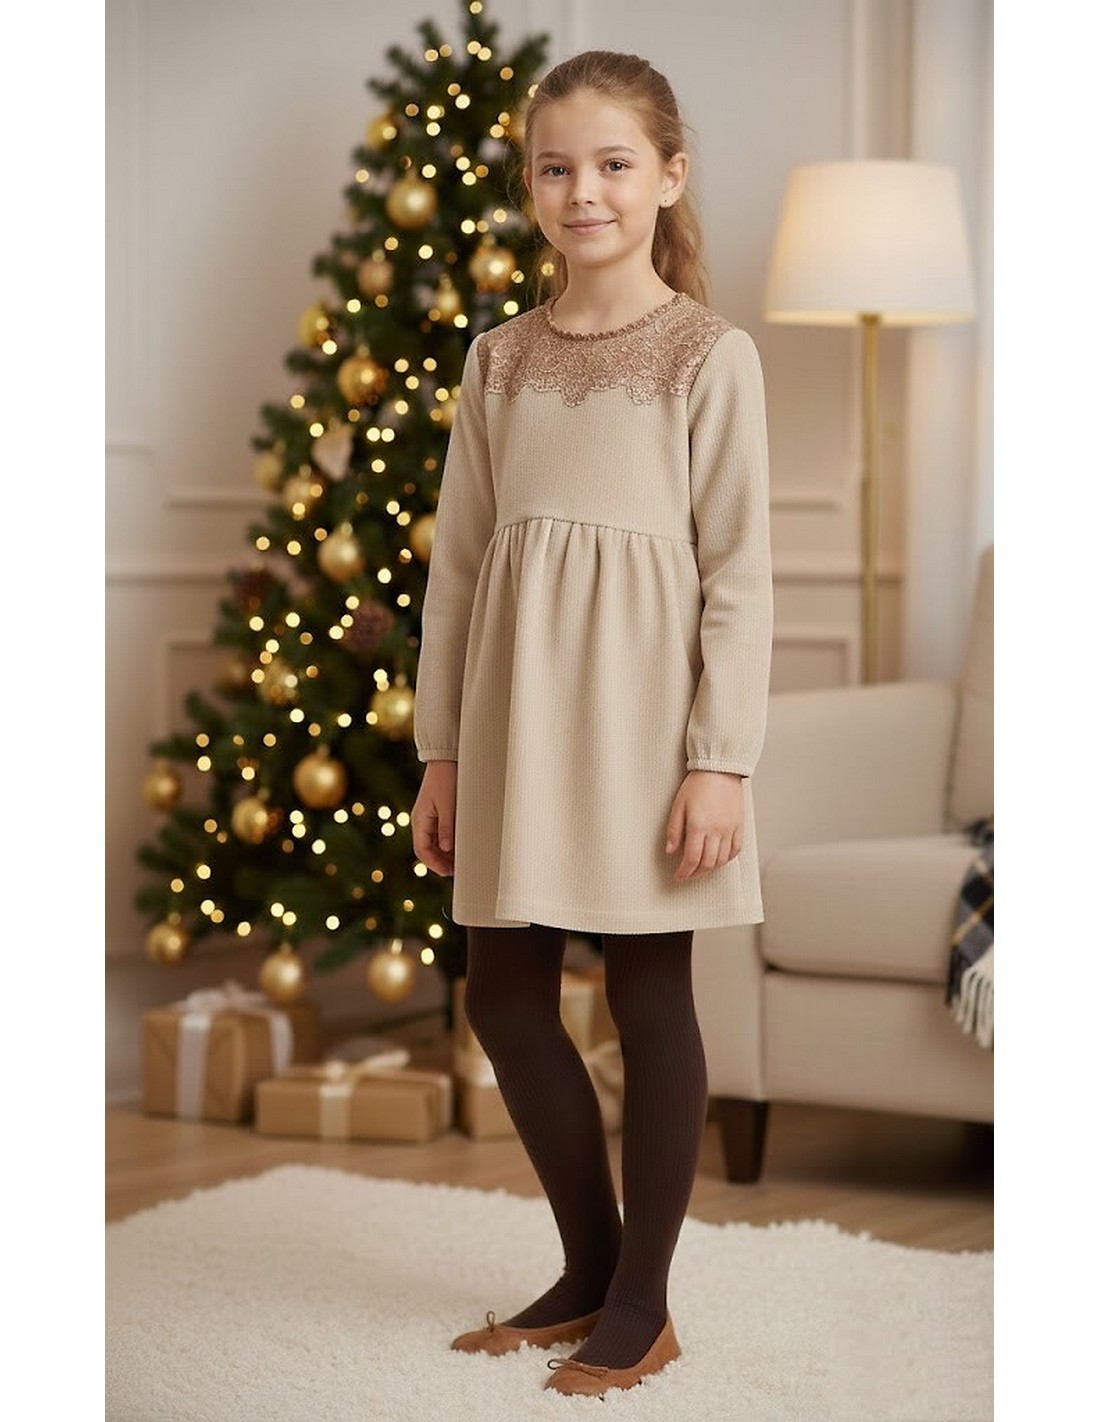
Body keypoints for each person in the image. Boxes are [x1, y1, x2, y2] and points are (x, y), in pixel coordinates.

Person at [411, 48, 773, 1399]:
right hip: (514, 726)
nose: (585, 192)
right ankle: (590, 1266)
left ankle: (643, 1305)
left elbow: (740, 573)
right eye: (556, 168)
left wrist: (719, 761)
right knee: (501, 994)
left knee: (647, 993)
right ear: (530, 186)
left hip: (645, 731)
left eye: (615, 164)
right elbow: (458, 571)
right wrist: (442, 750)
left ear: (668, 175)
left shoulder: (708, 355)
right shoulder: (498, 360)